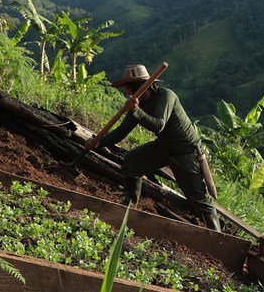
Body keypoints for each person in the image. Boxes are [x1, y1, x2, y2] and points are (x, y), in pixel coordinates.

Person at [84, 64, 221, 232]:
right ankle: (129, 204)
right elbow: (121, 132)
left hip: (185, 153)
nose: (128, 91)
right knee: (132, 162)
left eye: (130, 87)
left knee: (200, 200)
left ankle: (218, 237)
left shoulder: (166, 96)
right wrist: (98, 142)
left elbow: (158, 125)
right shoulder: (137, 104)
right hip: (164, 147)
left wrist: (136, 111)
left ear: (141, 86)